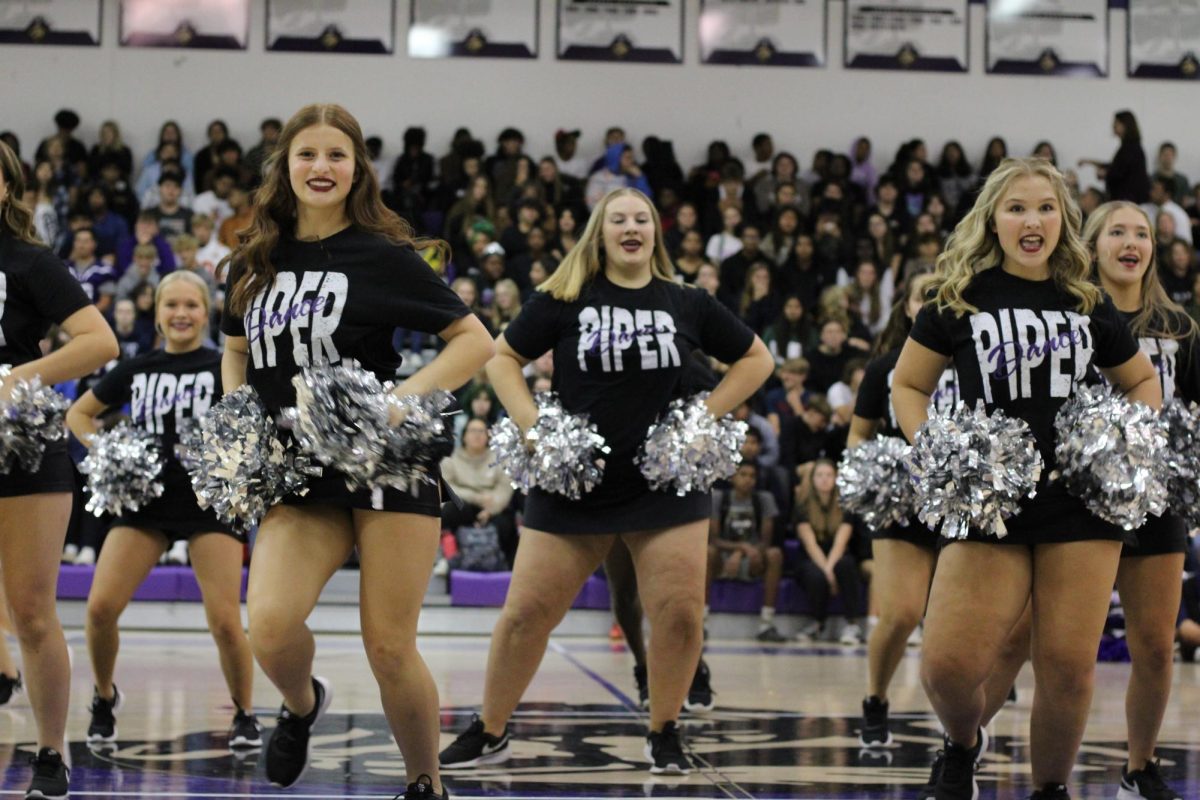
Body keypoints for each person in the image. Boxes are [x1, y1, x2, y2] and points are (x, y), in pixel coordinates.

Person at [438, 187, 773, 774]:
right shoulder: (565, 296)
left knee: (679, 614)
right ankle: (491, 729)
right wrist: (533, 427)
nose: (631, 227)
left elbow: (756, 360)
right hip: (575, 486)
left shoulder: (686, 301)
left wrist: (705, 415)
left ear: (654, 234)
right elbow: (500, 357)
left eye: (642, 218)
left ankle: (664, 729)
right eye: (618, 218)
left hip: (664, 484)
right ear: (600, 232)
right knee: (524, 615)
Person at [219, 103, 493, 799]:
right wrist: (238, 410)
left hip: (383, 463)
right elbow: (235, 347)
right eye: (306, 154)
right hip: (295, 469)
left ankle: (424, 784)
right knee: (270, 629)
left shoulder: (383, 255)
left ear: (357, 170)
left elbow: (474, 341)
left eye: (336, 155)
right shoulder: (254, 258)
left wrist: (401, 399)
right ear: (284, 168)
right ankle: (304, 703)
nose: (321, 167)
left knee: (389, 646)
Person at [893, 158, 1159, 799]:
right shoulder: (957, 298)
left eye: (1045, 208)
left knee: (1067, 668)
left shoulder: (1088, 301)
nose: (1032, 220)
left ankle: (1049, 790)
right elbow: (908, 384)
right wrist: (936, 446)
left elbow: (1143, 381)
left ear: (1063, 221)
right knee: (947, 667)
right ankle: (963, 742)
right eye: (1017, 208)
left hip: (1079, 504)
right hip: (990, 502)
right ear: (994, 219)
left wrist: (1120, 442)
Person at [65, 271, 262, 750]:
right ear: (156, 314)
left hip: (207, 506)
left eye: (191, 305)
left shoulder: (224, 364)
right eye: (171, 304)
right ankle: (105, 696)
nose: (181, 313)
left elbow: (255, 416)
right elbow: (78, 414)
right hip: (145, 505)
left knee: (224, 621)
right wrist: (107, 452)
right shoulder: (137, 368)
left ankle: (244, 712)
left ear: (207, 311)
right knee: (99, 608)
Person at [0, 140, 120, 799]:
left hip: (21, 442)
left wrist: (18, 377)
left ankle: (51, 752)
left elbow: (101, 341)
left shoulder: (29, 261)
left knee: (32, 610)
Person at [1081, 202, 1197, 797]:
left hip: (1156, 497)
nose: (1132, 242)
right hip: (1077, 500)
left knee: (1156, 644)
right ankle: (971, 746)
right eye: (1118, 231)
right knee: (1043, 643)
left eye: (1143, 233)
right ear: (1093, 243)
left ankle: (1139, 767)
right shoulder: (1068, 313)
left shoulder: (1179, 325)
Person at [849, 273, 957, 748]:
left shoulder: (975, 364)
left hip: (962, 501)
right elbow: (857, 434)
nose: (934, 303)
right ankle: (875, 697)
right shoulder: (884, 369)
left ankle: (962, 722)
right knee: (902, 614)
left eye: (943, 297)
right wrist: (874, 469)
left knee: (959, 622)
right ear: (909, 308)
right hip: (902, 500)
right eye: (925, 296)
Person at [708, 462, 784, 641]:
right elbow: (714, 540)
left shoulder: (764, 499)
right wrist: (740, 548)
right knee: (707, 552)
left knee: (775, 554)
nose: (748, 480)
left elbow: (765, 541)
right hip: (724, 557)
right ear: (733, 477)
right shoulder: (719, 498)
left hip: (753, 558)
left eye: (752, 476)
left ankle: (766, 623)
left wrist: (744, 553)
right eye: (743, 475)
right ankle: (702, 622)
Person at [792, 459, 865, 644]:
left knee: (846, 565)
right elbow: (810, 544)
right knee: (815, 575)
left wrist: (830, 570)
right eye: (819, 475)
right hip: (812, 557)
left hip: (836, 553)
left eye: (829, 475)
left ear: (836, 479)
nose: (824, 480)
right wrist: (827, 573)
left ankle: (852, 624)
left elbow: (841, 543)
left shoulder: (846, 505)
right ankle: (817, 623)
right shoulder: (802, 506)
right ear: (812, 479)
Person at [1079, 110, 1151, 204]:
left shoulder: (1130, 148)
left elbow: (1119, 171)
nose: (1113, 126)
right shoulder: (1129, 147)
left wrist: (1105, 173)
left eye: (1116, 123)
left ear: (1125, 125)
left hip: (1127, 200)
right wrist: (1090, 162)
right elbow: (1115, 166)